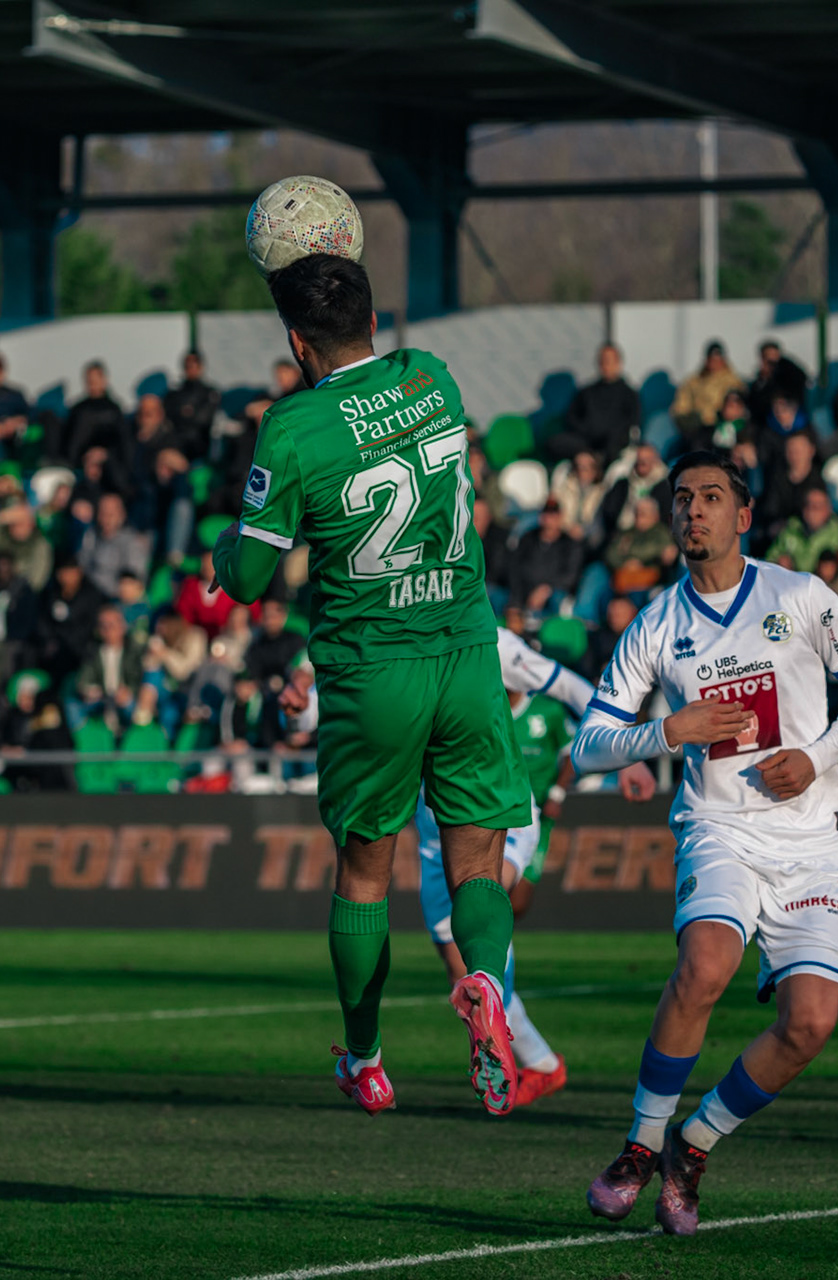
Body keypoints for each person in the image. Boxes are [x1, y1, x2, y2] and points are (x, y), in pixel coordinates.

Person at [212, 250, 533, 1118]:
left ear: (295, 340)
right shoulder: (431, 377)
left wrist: (221, 551)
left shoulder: (290, 428)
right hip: (466, 652)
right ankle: (489, 994)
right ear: (374, 323)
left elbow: (246, 580)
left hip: (371, 667)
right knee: (479, 860)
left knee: (365, 870)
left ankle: (366, 1057)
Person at [574, 451, 838, 1236]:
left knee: (811, 1021)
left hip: (812, 838)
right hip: (717, 828)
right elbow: (588, 744)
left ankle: (695, 1142)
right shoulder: (656, 624)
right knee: (707, 963)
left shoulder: (798, 593)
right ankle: (641, 1146)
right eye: (682, 499)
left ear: (742, 516)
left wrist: (814, 758)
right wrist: (665, 731)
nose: (695, 511)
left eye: (711, 497)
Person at [416, 628, 655, 1105]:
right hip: (429, 822)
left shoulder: (490, 639)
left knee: (485, 891)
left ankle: (499, 1040)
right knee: (461, 969)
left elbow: (570, 686)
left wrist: (624, 749)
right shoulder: (397, 626)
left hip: (494, 807)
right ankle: (541, 1063)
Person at [552, 344, 641, 463]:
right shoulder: (586, 392)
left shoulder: (629, 394)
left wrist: (608, 432)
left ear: (618, 363)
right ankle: (590, 458)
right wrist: (588, 431)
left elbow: (632, 423)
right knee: (556, 442)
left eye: (609, 361)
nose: (605, 365)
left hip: (613, 442)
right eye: (601, 361)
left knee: (614, 445)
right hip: (586, 441)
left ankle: (600, 466)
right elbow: (571, 418)